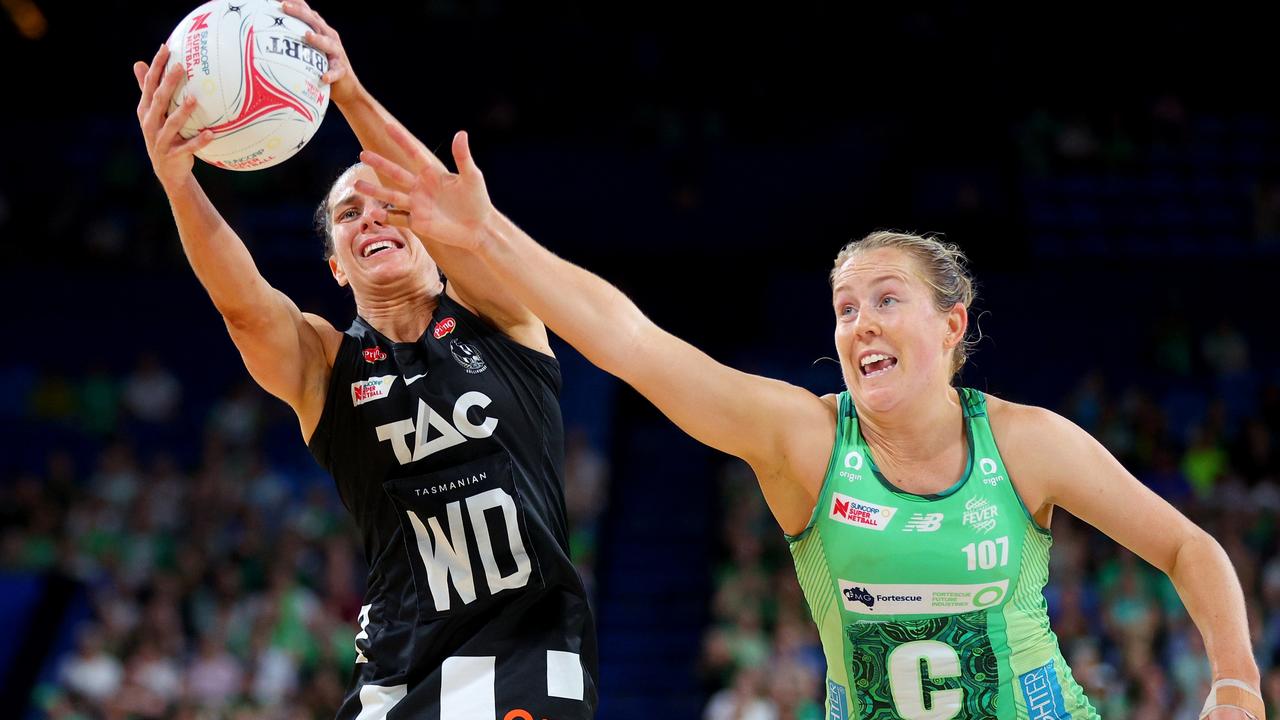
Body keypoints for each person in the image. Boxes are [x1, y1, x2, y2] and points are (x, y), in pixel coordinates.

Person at [353, 127, 1266, 719]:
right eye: (842, 307)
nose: (858, 323)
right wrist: (482, 236)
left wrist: (1233, 681)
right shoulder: (807, 441)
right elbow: (630, 342)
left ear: (951, 326)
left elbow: (1193, 550)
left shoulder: (1027, 444)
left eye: (884, 300)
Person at [131, 3, 597, 717]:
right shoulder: (325, 362)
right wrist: (177, 179)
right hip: (398, 670)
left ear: (425, 231)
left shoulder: (505, 316)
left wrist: (345, 89)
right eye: (349, 214)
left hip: (528, 654)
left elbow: (443, 202)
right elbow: (246, 307)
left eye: (386, 205)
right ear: (336, 266)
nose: (371, 217)